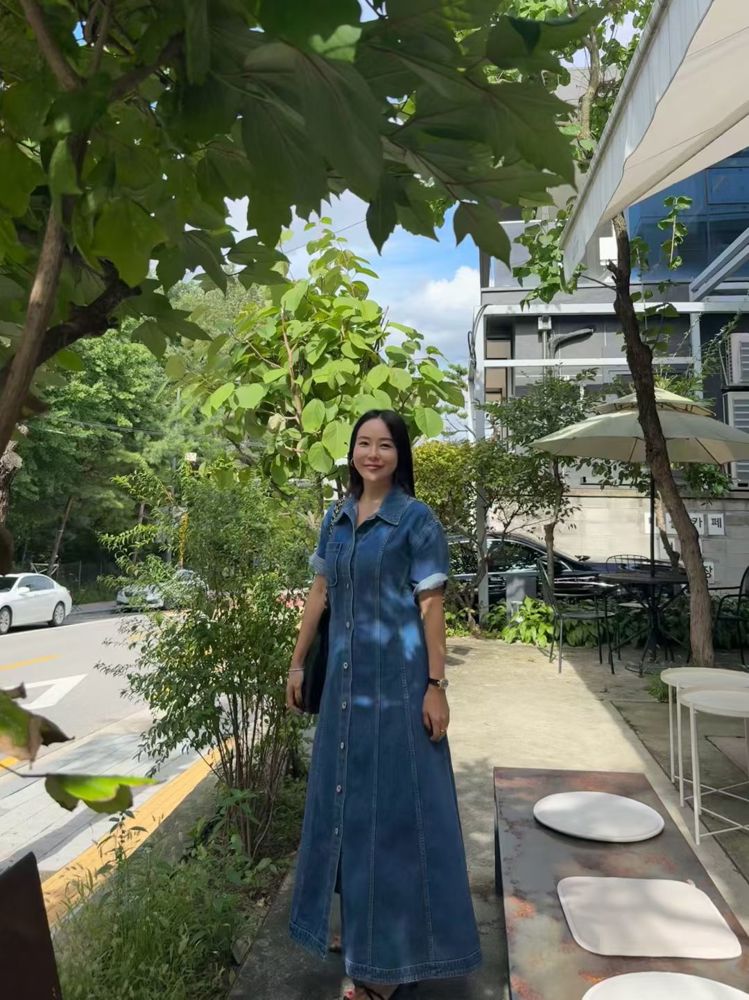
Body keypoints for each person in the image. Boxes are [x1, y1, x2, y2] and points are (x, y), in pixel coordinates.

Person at [286, 410, 481, 1000]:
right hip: (345, 693)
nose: (373, 454)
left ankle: (385, 968)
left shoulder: (416, 520)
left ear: (400, 456)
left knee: (396, 819)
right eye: (364, 444)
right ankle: (359, 932)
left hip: (398, 689)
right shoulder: (337, 518)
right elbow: (320, 592)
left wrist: (436, 685)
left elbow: (431, 607)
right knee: (343, 809)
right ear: (352, 452)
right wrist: (297, 662)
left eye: (386, 445)